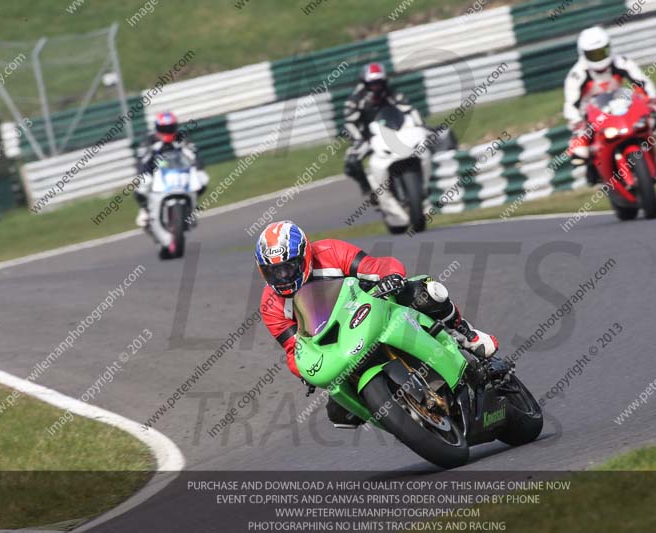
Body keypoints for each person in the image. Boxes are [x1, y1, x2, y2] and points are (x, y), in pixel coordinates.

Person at [255, 220, 498, 428]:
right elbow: (294, 348)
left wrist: (390, 277)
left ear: (305, 255)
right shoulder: (271, 305)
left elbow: (375, 266)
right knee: (339, 414)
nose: (284, 277)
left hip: (373, 307)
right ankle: (402, 416)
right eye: (274, 272)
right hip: (338, 346)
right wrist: (305, 371)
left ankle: (467, 335)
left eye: (289, 267)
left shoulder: (330, 252)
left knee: (427, 292)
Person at [564, 26, 656, 184]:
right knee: (579, 151)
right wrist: (577, 123)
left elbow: (642, 81)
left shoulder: (621, 62)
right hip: (590, 117)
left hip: (620, 108)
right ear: (584, 54)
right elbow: (570, 104)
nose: (599, 57)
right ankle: (594, 170)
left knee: (653, 125)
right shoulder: (576, 74)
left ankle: (652, 164)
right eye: (593, 54)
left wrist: (651, 99)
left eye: (602, 51)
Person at [343, 62, 423, 197]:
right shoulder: (356, 99)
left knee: (427, 140)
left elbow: (409, 109)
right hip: (368, 137)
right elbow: (349, 122)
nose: (376, 86)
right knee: (351, 161)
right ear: (365, 83)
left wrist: (421, 125)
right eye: (373, 83)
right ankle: (367, 188)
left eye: (379, 82)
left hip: (396, 132)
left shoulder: (391, 93)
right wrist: (358, 139)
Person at [134, 111, 209, 227]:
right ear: (157, 128)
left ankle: (191, 207)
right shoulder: (149, 141)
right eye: (164, 128)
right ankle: (144, 209)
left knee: (203, 179)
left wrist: (198, 168)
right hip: (156, 173)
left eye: (170, 128)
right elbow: (141, 160)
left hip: (179, 170)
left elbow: (194, 154)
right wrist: (143, 172)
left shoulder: (182, 138)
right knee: (143, 184)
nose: (167, 131)